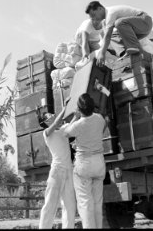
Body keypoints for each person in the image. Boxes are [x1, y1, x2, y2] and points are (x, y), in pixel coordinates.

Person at [61, 93, 106, 229]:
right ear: (93, 106)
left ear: (80, 109)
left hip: (84, 165)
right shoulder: (100, 119)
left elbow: (65, 133)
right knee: (97, 202)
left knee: (85, 203)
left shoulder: (78, 125)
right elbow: (102, 128)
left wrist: (75, 116)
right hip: (99, 163)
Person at [38, 108, 76, 229]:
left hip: (69, 171)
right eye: (49, 115)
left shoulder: (63, 129)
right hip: (57, 171)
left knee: (70, 206)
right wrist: (65, 108)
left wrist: (77, 114)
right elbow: (55, 124)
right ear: (46, 121)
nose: (53, 115)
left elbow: (73, 123)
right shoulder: (47, 133)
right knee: (50, 204)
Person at [85, 1, 153, 66]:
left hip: (145, 21)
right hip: (137, 30)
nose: (94, 18)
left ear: (100, 8)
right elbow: (107, 37)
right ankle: (125, 54)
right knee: (113, 35)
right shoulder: (106, 19)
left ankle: (135, 48)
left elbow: (107, 36)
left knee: (119, 23)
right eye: (92, 17)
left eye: (94, 15)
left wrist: (102, 53)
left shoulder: (110, 13)